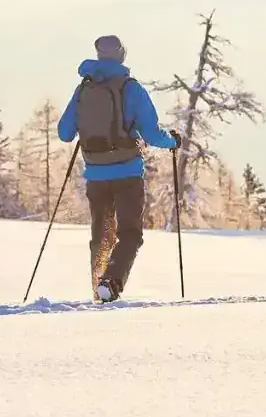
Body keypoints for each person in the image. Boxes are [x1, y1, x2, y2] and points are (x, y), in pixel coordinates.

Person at [57, 34, 181, 302]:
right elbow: (151, 134)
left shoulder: (83, 90)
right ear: (122, 55)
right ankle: (110, 284)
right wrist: (173, 141)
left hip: (96, 174)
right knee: (130, 234)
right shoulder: (131, 89)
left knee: (101, 234)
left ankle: (97, 288)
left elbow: (65, 133)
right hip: (127, 173)